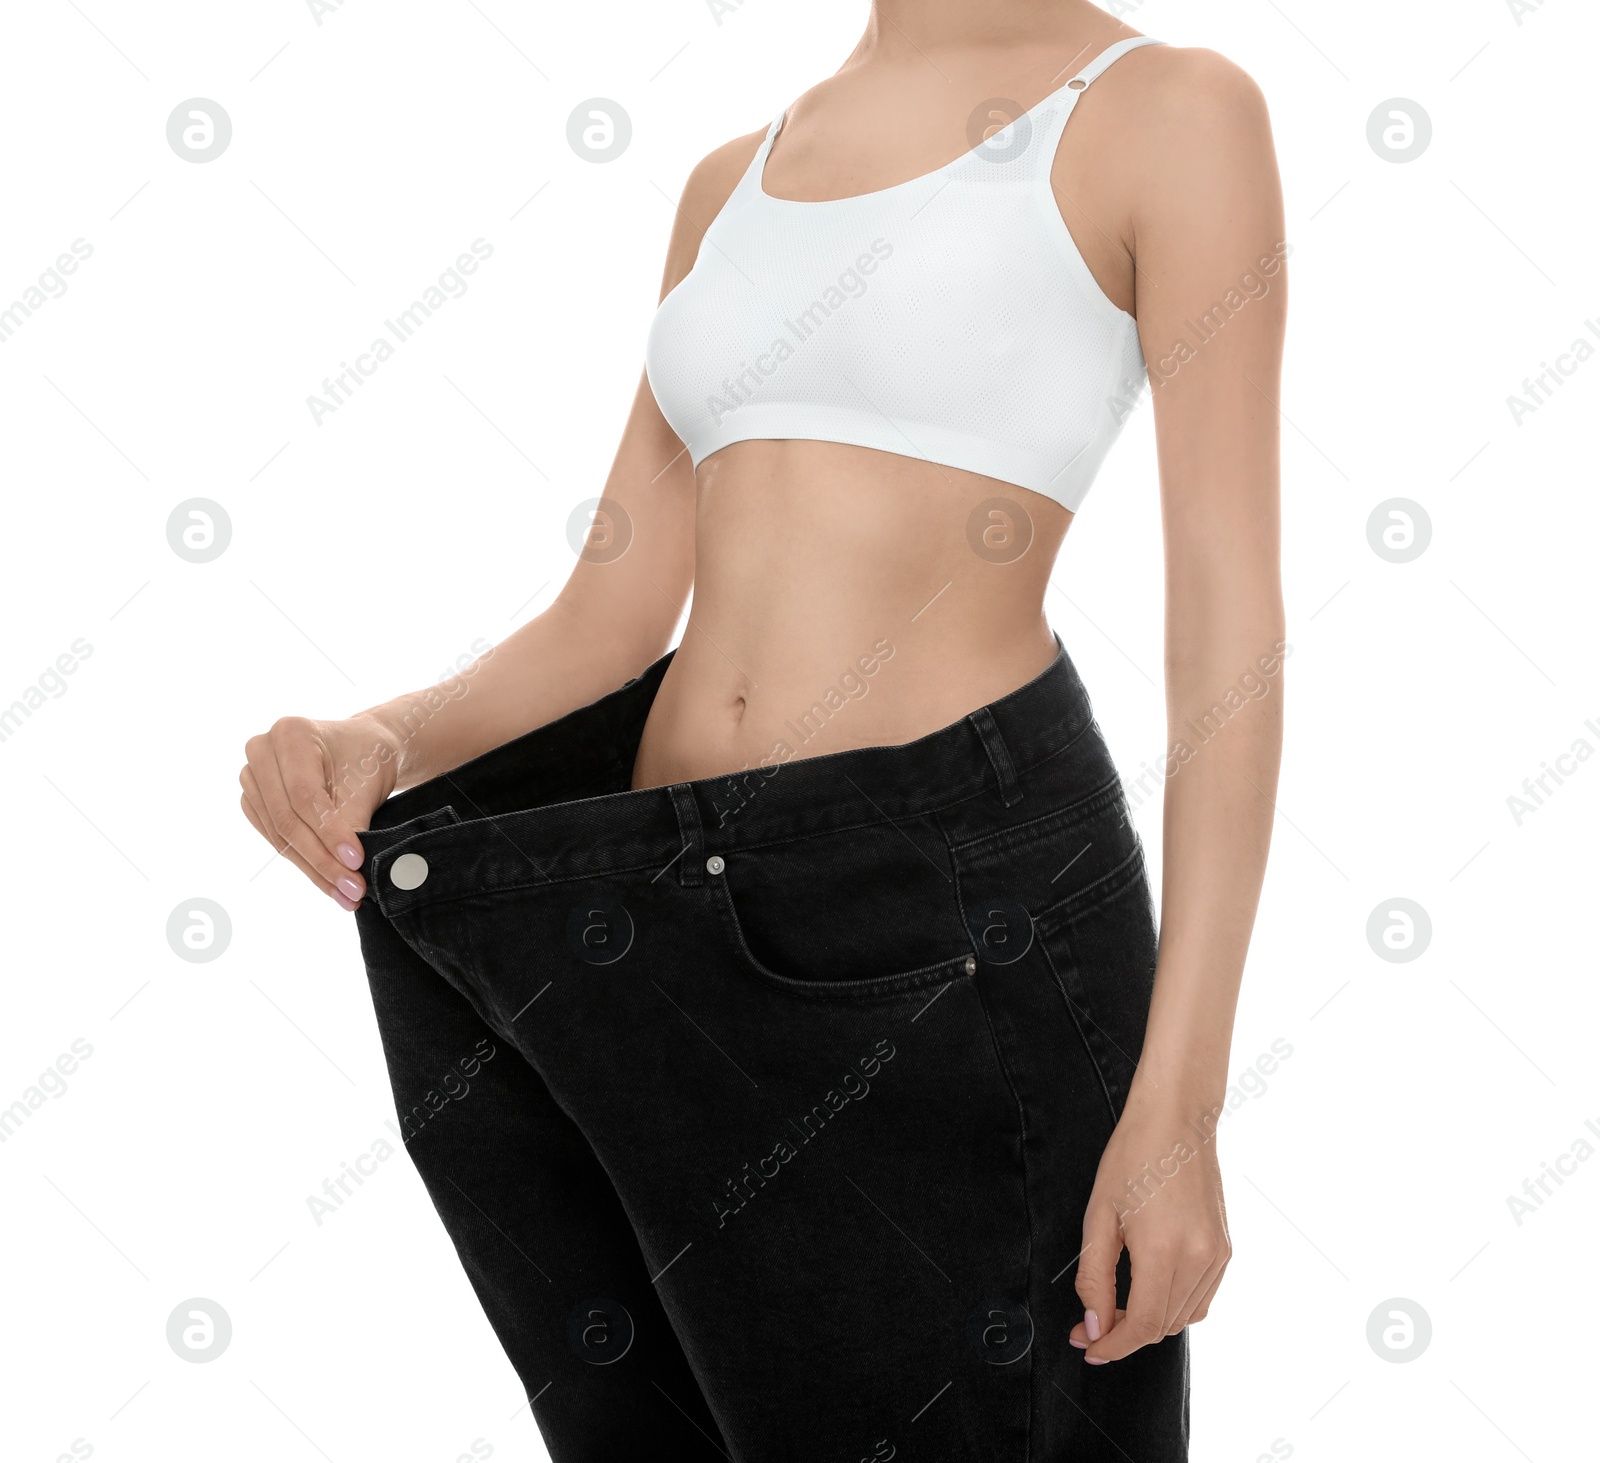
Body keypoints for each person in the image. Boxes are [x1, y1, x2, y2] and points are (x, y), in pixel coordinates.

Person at [240, 4, 1286, 1458]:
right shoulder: (734, 178)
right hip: (658, 932)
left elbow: (1227, 628)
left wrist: (1181, 1106)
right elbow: (604, 618)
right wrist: (385, 738)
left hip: (945, 911)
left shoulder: (1162, 108)